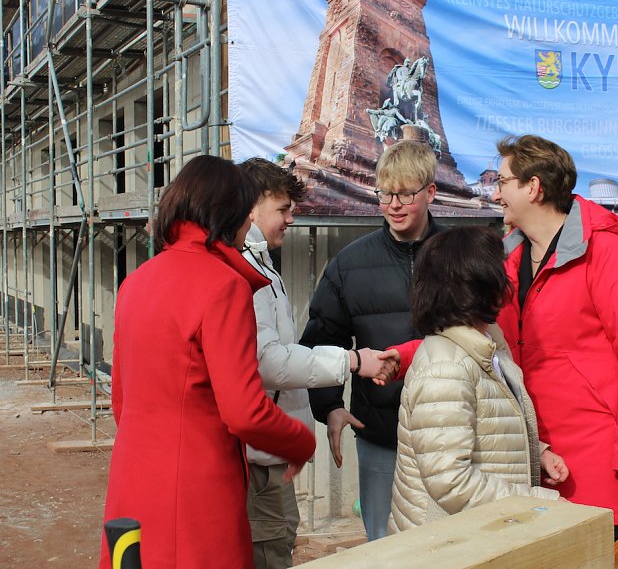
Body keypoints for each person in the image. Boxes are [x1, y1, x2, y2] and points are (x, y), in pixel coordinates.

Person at [100, 155, 316, 569]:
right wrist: (299, 441)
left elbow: (121, 400)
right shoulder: (223, 285)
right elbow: (244, 411)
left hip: (133, 476)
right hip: (197, 485)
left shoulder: (137, 281)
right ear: (231, 214)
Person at [492, 135, 618, 540]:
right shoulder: (509, 258)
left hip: (597, 461)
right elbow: (482, 341)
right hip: (537, 456)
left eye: (502, 182)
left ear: (533, 187)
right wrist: (402, 357)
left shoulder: (606, 253)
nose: (495, 195)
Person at [238, 158, 388, 567]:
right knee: (268, 549)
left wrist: (326, 408)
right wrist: (352, 361)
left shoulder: (261, 264)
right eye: (283, 209)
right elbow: (269, 362)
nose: (290, 219)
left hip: (267, 452)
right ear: (251, 208)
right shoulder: (246, 270)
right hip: (259, 456)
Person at [301, 139, 442, 541]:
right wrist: (329, 406)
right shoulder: (349, 264)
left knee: (448, 546)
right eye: (385, 194)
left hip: (449, 432)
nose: (394, 205)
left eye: (406, 194)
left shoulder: (457, 257)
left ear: (431, 192)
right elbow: (321, 339)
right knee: (383, 544)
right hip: (381, 435)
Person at [388, 227, 567, 533]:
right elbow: (450, 481)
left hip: (479, 531)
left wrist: (537, 453)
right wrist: (538, 502)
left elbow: (486, 423)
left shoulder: (487, 342)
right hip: (445, 543)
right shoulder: (446, 368)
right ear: (478, 284)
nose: (507, 278)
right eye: (499, 270)